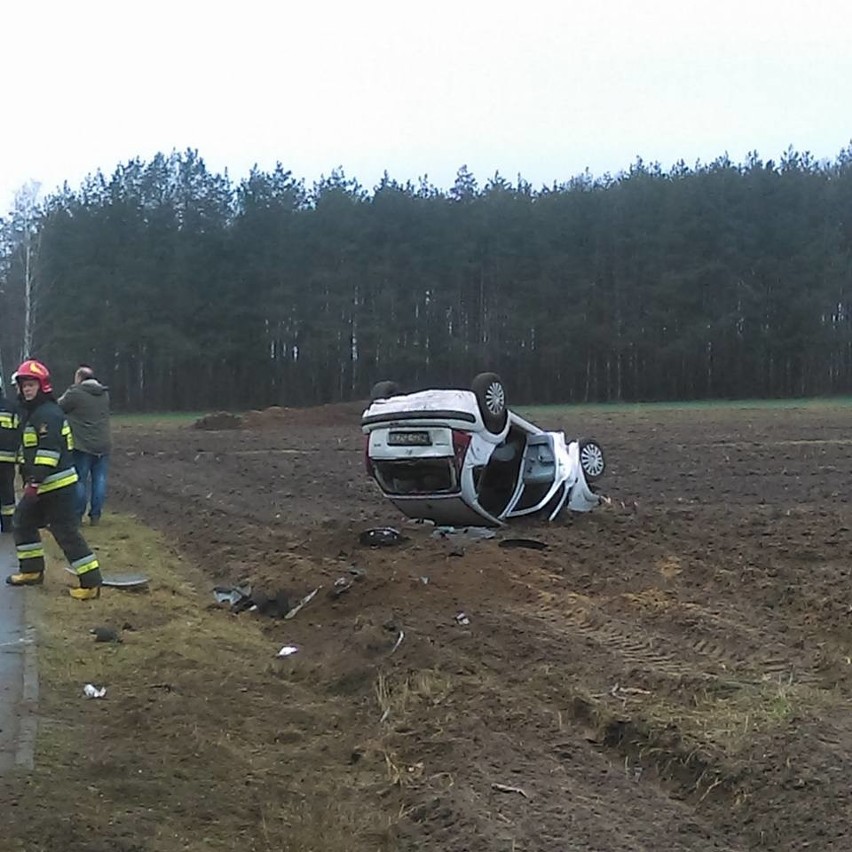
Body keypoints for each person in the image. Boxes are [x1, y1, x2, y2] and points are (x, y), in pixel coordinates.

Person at [5, 359, 103, 599]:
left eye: (31, 385)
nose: (27, 389)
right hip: (42, 485)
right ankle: (32, 570)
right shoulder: (35, 412)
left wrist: (35, 482)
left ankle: (91, 583)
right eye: (24, 385)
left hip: (56, 486)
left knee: (65, 532)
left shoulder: (47, 414)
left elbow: (48, 452)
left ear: (42, 386)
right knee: (23, 522)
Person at [58, 363, 112, 525]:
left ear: (79, 378)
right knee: (100, 479)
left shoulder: (75, 393)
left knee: (79, 480)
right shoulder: (104, 394)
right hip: (103, 444)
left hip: (82, 445)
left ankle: (77, 514)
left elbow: (59, 406)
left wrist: (72, 388)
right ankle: (95, 514)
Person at [0, 377, 20, 533]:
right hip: (7, 459)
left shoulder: (12, 407)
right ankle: (8, 526)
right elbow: (17, 433)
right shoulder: (11, 407)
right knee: (7, 491)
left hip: (7, 458)